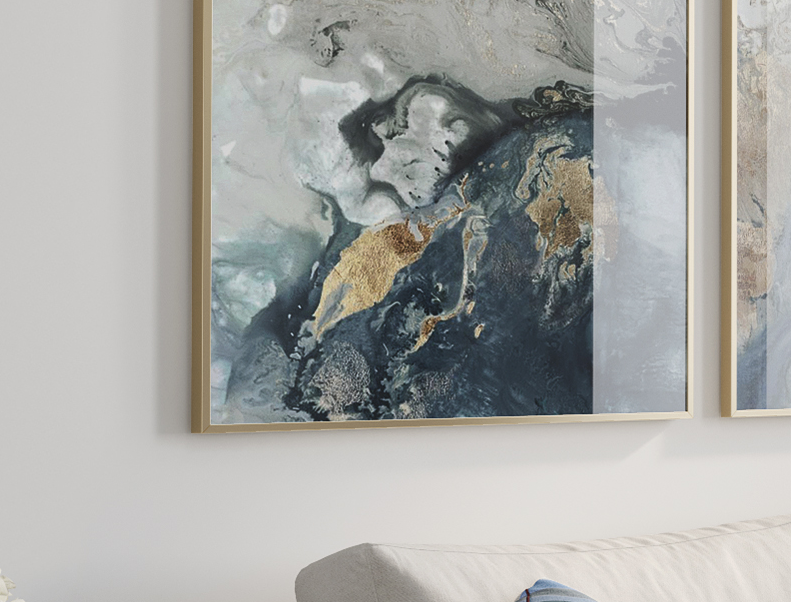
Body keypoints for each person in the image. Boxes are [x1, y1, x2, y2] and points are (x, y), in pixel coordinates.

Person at [240, 74, 600, 419]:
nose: (386, 140)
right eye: (396, 130)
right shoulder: (388, 239)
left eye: (403, 136)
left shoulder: (473, 213)